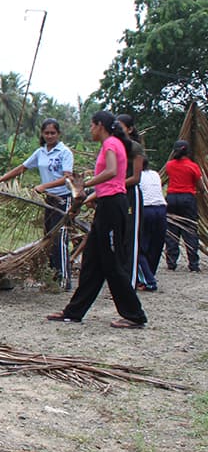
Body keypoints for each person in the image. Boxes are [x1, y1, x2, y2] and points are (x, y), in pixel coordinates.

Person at [47, 110, 147, 328]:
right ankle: (73, 312)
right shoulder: (112, 144)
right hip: (108, 204)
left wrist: (86, 184)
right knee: (92, 262)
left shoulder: (111, 144)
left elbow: (111, 172)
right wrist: (87, 196)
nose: (90, 130)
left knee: (112, 263)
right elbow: (113, 181)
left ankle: (134, 315)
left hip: (113, 207)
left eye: (91, 126)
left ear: (99, 125)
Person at [0, 119, 74, 287]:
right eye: (46, 133)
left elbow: (67, 178)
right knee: (48, 238)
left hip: (63, 199)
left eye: (53, 133)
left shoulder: (64, 152)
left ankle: (64, 279)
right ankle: (52, 277)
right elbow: (21, 168)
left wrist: (44, 186)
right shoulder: (40, 152)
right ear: (42, 134)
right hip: (48, 200)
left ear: (59, 134)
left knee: (60, 238)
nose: (49, 136)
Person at [164, 140, 203, 273]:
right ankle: (193, 264)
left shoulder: (169, 165)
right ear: (188, 151)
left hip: (171, 198)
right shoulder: (193, 166)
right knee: (190, 229)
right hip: (187, 198)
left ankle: (171, 262)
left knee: (172, 229)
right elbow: (200, 185)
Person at [116, 114, 145, 287]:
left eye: (120, 126)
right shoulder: (113, 147)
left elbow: (135, 178)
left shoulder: (135, 148)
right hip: (116, 195)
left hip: (130, 194)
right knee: (118, 238)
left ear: (129, 129)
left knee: (131, 238)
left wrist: (115, 183)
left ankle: (130, 282)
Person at [137, 160, 166, 291]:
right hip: (161, 209)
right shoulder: (155, 174)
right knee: (155, 246)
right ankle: (149, 275)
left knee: (139, 248)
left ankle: (148, 280)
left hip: (146, 210)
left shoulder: (136, 177)